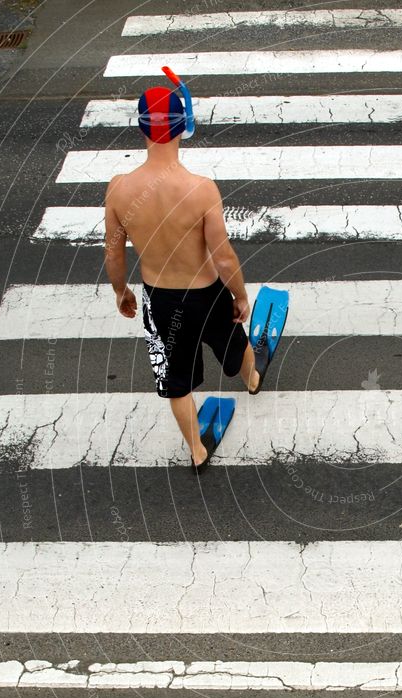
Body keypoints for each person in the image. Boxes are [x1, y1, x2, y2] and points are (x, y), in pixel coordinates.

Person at [103, 83, 260, 472]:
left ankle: (196, 451)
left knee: (176, 380)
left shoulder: (120, 189)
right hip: (205, 293)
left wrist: (121, 291)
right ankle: (253, 379)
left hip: (159, 300)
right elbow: (222, 256)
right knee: (234, 342)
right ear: (183, 126)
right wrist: (240, 295)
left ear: (142, 129)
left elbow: (113, 251)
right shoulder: (200, 190)